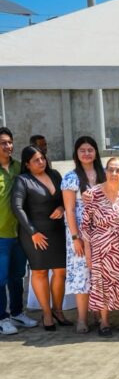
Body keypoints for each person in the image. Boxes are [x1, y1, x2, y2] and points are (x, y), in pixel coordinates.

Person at [80, 157, 119, 336]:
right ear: (105, 171)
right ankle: (104, 322)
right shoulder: (92, 194)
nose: (114, 173)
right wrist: (87, 252)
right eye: (111, 169)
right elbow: (85, 225)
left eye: (118, 170)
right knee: (103, 284)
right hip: (102, 247)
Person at [12, 145, 68, 331]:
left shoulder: (55, 175)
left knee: (60, 271)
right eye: (36, 160)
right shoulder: (22, 180)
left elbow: (65, 198)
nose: (41, 162)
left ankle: (57, 310)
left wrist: (62, 207)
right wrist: (33, 232)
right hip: (34, 234)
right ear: (27, 164)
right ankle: (46, 313)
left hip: (57, 231)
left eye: (43, 158)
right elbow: (17, 207)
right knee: (40, 272)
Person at [61, 136, 104, 334]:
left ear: (96, 152)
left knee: (100, 274)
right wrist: (75, 238)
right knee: (81, 275)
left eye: (90, 149)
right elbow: (69, 210)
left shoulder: (104, 174)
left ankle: (99, 314)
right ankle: (81, 318)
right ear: (76, 154)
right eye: (82, 150)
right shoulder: (71, 177)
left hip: (102, 232)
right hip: (79, 232)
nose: (86, 153)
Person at [0, 128, 34, 335]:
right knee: (0, 279)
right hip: (1, 235)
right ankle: (2, 318)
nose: (8, 146)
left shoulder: (18, 167)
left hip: (19, 233)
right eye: (3, 143)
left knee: (17, 276)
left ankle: (16, 313)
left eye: (10, 142)